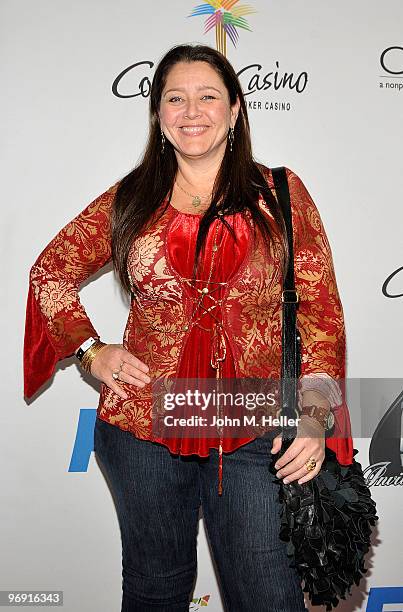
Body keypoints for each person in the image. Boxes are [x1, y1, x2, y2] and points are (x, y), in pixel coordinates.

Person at [24, 44, 353, 612]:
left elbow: (321, 314)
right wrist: (90, 351)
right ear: (157, 115)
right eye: (175, 98)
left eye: (208, 96)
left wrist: (317, 415)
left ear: (236, 111)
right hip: (144, 425)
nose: (191, 110)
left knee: (269, 597)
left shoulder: (280, 194)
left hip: (254, 426)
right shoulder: (131, 198)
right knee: (155, 592)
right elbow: (49, 271)